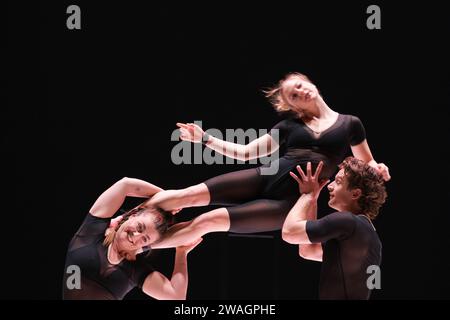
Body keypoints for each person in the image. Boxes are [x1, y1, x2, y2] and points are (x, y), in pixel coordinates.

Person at [149, 72, 391, 248]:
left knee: (206, 221)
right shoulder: (289, 126)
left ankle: (141, 245)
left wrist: (378, 167)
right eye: (294, 95)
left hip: (289, 202)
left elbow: (368, 162)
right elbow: (246, 152)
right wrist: (205, 140)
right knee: (187, 195)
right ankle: (122, 223)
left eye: (299, 86)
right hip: (264, 176)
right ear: (294, 106)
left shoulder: (350, 124)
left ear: (310, 82)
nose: (301, 92)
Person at [62, 177, 202, 300]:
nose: (135, 236)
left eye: (144, 239)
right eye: (139, 228)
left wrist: (181, 253)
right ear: (132, 216)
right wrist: (166, 195)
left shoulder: (134, 269)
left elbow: (176, 297)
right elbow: (125, 184)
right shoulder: (91, 233)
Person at [282, 158, 387, 299]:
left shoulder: (347, 221)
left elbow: (289, 232)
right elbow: (308, 251)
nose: (329, 186)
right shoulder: (369, 237)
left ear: (355, 194)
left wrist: (307, 195)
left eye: (338, 182)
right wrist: (313, 199)